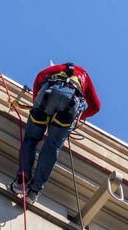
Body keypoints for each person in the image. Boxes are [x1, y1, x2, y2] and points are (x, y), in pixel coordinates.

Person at [10, 62, 101, 204]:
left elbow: (39, 78)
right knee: (51, 147)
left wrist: (36, 102)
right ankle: (33, 192)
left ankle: (21, 180)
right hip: (70, 105)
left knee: (31, 139)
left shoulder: (59, 68)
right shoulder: (85, 77)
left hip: (47, 97)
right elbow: (95, 107)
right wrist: (79, 116)